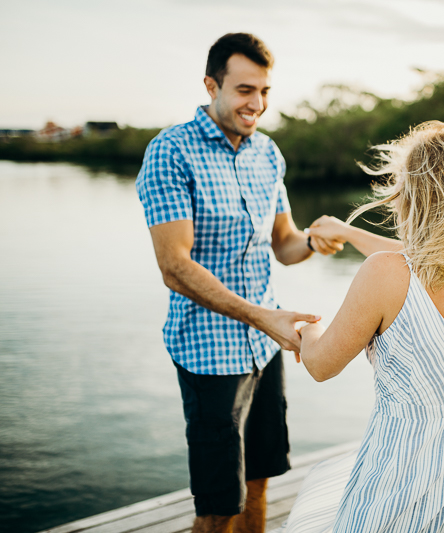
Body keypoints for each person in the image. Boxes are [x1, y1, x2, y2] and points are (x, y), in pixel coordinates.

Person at [135, 33, 342, 533]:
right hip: (209, 355)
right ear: (211, 85)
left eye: (265, 91)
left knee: (260, 482)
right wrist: (263, 316)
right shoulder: (170, 152)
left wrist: (315, 241)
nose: (258, 103)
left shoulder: (268, 154)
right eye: (245, 89)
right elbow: (175, 267)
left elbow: (284, 244)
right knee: (218, 506)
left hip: (265, 348)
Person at [275, 120, 444, 532]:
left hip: (397, 488)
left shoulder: (383, 274)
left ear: (415, 194)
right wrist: (349, 234)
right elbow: (427, 256)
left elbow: (319, 365)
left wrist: (303, 327)